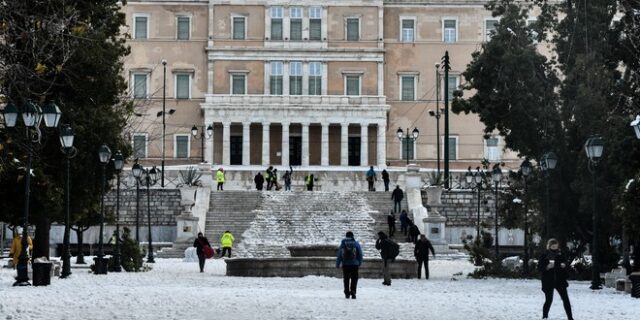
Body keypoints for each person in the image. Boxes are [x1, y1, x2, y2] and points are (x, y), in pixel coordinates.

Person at [538, 238, 574, 320]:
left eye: (556, 246)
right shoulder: (544, 255)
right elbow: (540, 267)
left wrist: (564, 265)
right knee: (549, 300)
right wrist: (547, 267)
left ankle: (570, 317)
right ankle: (545, 316)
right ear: (549, 246)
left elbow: (566, 263)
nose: (555, 248)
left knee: (566, 299)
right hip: (548, 280)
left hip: (560, 280)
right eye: (553, 246)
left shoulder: (560, 254)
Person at [336, 231, 363, 299]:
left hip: (345, 264)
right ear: (352, 236)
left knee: (346, 279)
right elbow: (360, 254)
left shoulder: (343, 243)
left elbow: (339, 254)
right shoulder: (356, 243)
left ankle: (347, 293)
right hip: (354, 264)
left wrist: (338, 264)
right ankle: (353, 291)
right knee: (354, 278)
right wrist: (359, 262)